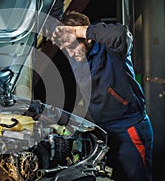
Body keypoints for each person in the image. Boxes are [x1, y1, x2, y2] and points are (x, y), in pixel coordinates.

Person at [50, 11, 154, 181]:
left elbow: (120, 34)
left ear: (88, 38)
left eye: (73, 46)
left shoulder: (112, 50)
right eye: (65, 49)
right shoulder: (76, 54)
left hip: (129, 129)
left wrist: (76, 32)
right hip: (102, 132)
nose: (70, 54)